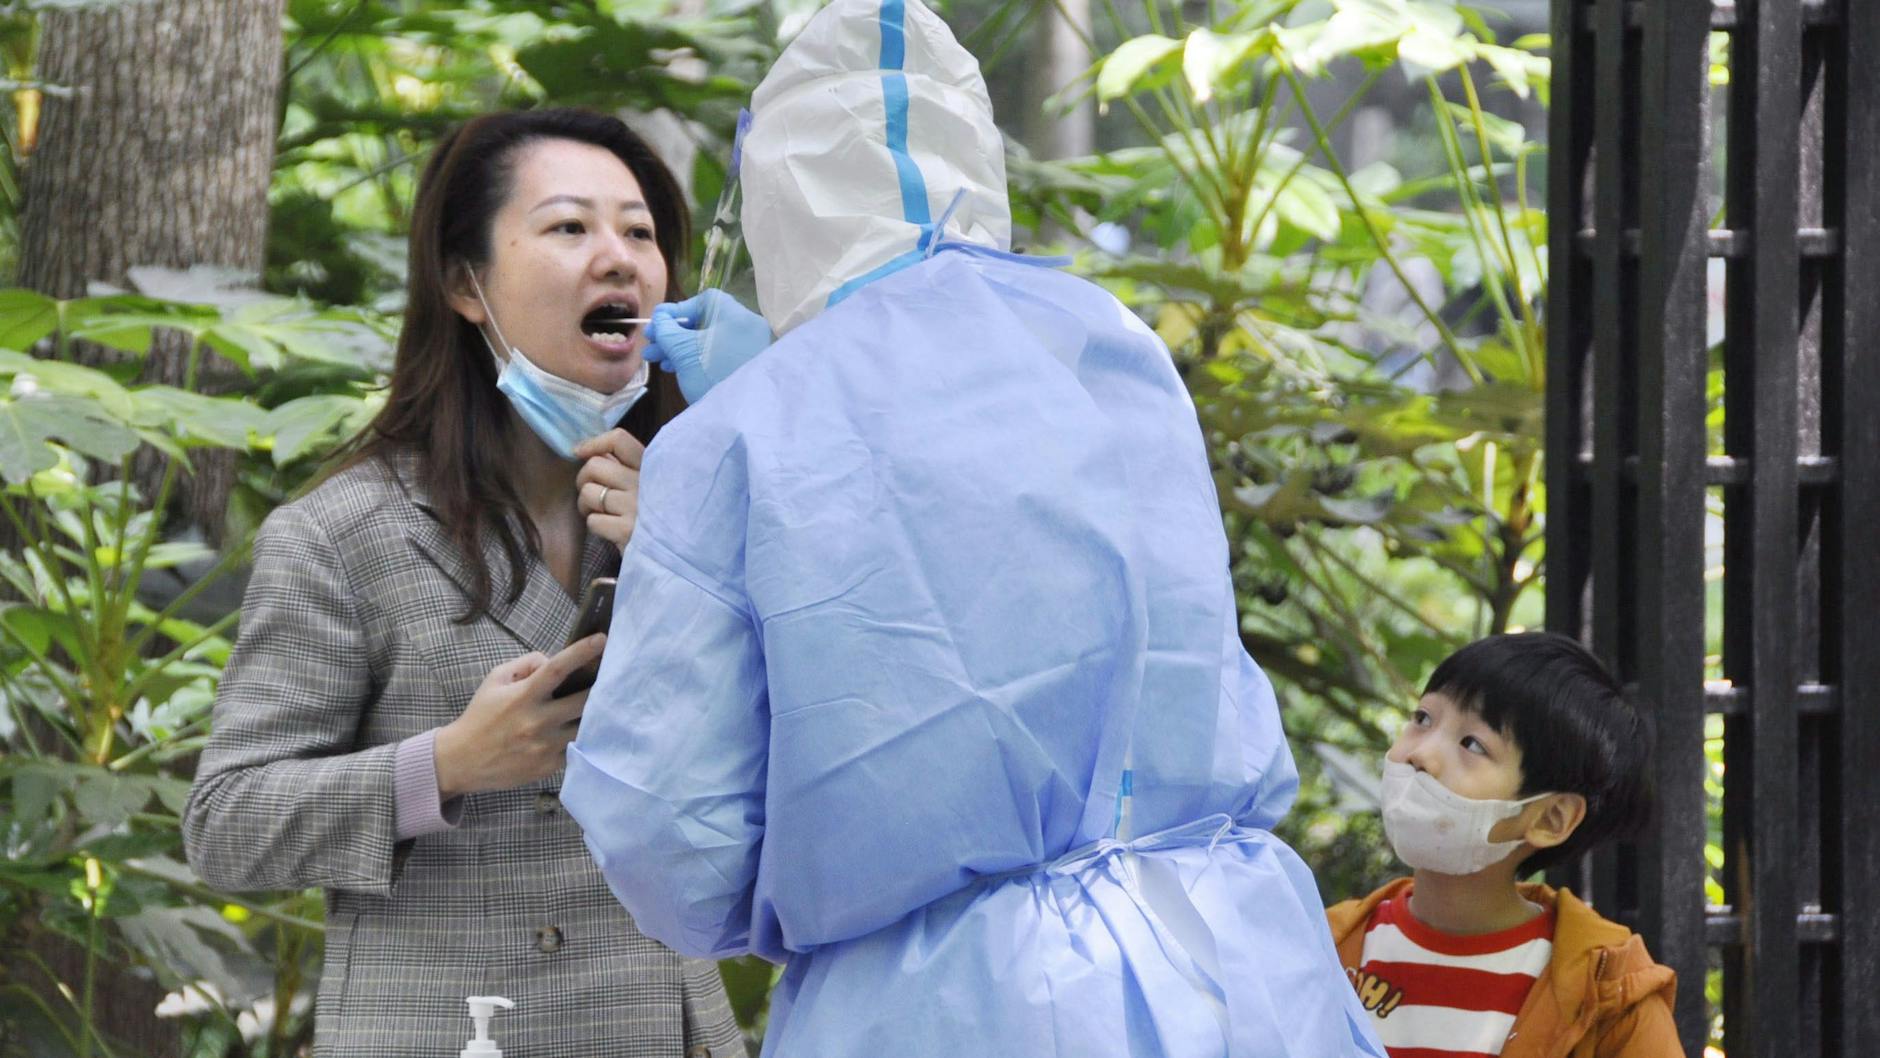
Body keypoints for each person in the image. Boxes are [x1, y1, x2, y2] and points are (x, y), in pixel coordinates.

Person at [557, 1, 1384, 1055]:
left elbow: (667, 827)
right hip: (1237, 970)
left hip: (943, 1002)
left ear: (773, 199)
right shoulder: (1110, 345)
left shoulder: (741, 438)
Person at [182, 108, 743, 1058]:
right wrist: (444, 765)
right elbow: (226, 823)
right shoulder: (341, 536)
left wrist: (691, 559)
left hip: (660, 1028)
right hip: (442, 1033)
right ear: (464, 281)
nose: (620, 259)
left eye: (640, 234)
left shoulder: (703, 514)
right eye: (570, 227)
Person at [1325, 633, 1681, 1058]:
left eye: (1471, 744)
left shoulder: (1609, 993)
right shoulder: (1323, 945)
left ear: (1551, 819)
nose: (1421, 754)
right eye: (1423, 718)